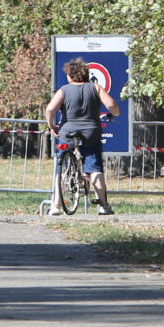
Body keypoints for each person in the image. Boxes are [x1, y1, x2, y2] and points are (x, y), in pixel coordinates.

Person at [45, 57, 120, 216]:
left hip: (67, 130)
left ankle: (56, 206)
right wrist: (115, 114)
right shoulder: (95, 87)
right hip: (90, 131)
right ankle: (103, 205)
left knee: (62, 170)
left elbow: (50, 109)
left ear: (70, 76)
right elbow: (112, 105)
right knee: (94, 168)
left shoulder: (64, 90)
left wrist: (51, 125)